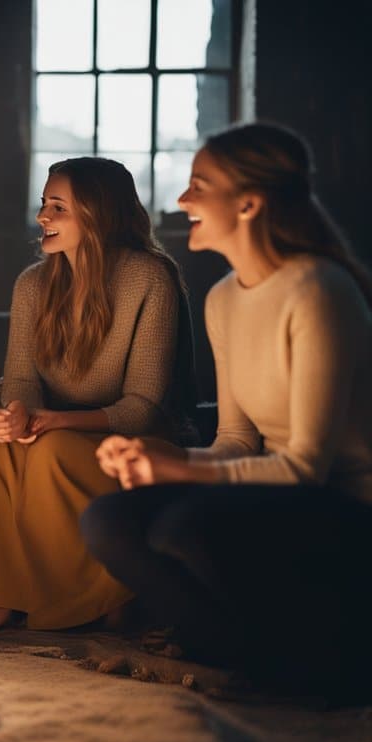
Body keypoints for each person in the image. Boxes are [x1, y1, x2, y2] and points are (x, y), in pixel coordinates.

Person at [81, 123, 372, 698]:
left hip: (350, 506)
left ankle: (329, 668)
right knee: (110, 519)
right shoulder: (224, 299)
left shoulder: (318, 290)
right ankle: (256, 658)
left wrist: (181, 471)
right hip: (288, 493)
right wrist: (158, 458)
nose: (182, 200)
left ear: (248, 203)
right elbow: (236, 441)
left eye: (198, 185)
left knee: (186, 527)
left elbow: (305, 468)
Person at [0, 157, 194, 633]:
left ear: (97, 214)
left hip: (137, 442)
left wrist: (53, 422)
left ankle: (94, 598)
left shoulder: (150, 279)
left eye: (58, 207)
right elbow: (20, 380)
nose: (42, 217)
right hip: (52, 429)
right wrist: (15, 415)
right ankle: (0, 597)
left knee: (53, 449)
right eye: (44, 205)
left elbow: (142, 409)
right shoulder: (33, 284)